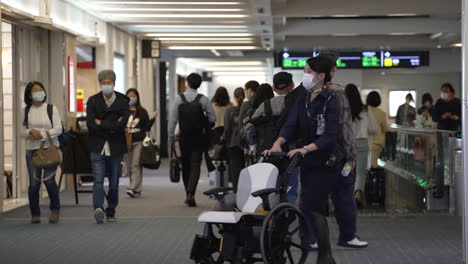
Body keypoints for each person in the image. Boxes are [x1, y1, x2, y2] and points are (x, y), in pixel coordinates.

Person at [265, 56, 340, 264]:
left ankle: (326, 256)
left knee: (314, 206)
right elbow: (291, 124)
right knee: (306, 206)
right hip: (307, 159)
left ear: (321, 76)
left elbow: (330, 134)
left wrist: (305, 149)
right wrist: (278, 142)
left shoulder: (331, 100)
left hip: (326, 160)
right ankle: (318, 249)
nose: (305, 75)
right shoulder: (304, 98)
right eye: (305, 70)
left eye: (308, 71)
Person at [86, 70, 131, 224]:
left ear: (114, 83)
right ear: (100, 84)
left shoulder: (123, 101)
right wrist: (113, 124)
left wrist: (102, 123)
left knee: (114, 182)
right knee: (98, 180)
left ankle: (111, 210)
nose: (106, 85)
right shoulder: (92, 101)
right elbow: (91, 124)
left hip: (116, 146)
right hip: (97, 145)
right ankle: (98, 208)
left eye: (109, 83)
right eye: (103, 83)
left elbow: (122, 125)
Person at [168, 73, 216, 207]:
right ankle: (191, 193)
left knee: (186, 166)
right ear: (199, 85)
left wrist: (171, 139)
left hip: (183, 138)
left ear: (187, 83)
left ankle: (188, 194)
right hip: (199, 137)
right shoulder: (203, 99)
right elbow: (213, 118)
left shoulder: (178, 99)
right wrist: (203, 122)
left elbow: (172, 121)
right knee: (195, 164)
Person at [23, 81, 62, 224]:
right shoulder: (25, 110)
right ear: (29, 94)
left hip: (49, 149)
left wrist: (42, 134)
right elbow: (20, 131)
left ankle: (55, 209)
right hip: (32, 151)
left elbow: (58, 129)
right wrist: (29, 132)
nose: (39, 92)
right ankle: (35, 214)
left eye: (40, 89)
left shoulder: (52, 109)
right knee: (34, 184)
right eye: (35, 90)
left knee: (49, 181)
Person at [245, 72, 294, 154]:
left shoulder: (265, 105)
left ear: (273, 87)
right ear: (292, 85)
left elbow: (249, 126)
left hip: (267, 150)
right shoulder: (298, 102)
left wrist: (253, 146)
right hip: (292, 150)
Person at [345, 84, 377, 207]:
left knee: (347, 168)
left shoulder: (343, 108)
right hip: (362, 143)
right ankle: (358, 193)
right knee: (360, 171)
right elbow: (373, 129)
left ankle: (346, 192)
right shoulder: (365, 109)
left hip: (347, 143)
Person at [124, 88, 150, 198]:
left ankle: (132, 187)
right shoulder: (123, 111)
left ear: (137, 97)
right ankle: (137, 188)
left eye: (133, 96)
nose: (131, 98)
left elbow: (147, 126)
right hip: (126, 141)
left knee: (136, 164)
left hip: (139, 140)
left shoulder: (142, 112)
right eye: (129, 96)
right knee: (130, 166)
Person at [223, 88, 245, 191]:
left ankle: (237, 191)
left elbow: (227, 129)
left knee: (235, 169)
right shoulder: (247, 108)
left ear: (234, 97)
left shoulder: (229, 110)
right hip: (246, 144)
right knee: (245, 168)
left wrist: (227, 144)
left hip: (234, 143)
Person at [367, 91, 388, 167]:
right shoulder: (382, 113)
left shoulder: (364, 111)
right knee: (373, 164)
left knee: (365, 164)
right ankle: (372, 178)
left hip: (365, 141)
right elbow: (385, 129)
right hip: (377, 142)